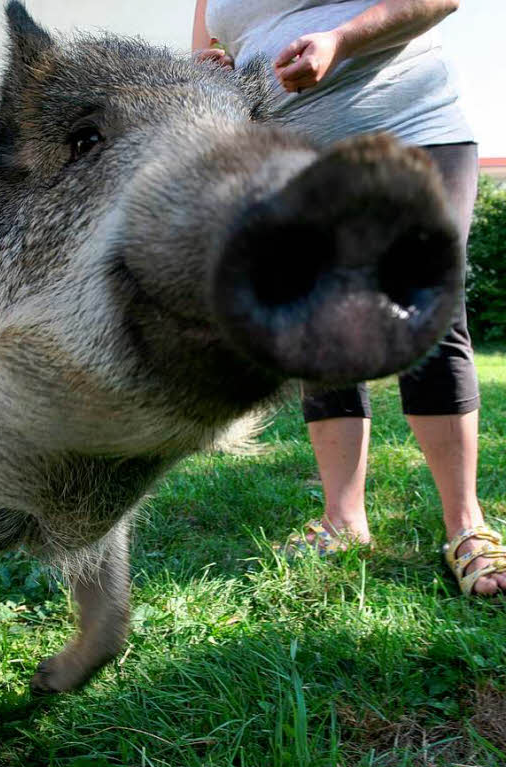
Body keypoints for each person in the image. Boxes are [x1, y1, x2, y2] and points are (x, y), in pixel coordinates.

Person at [192, 0, 506, 596]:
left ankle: (467, 526)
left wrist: (340, 39)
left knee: (429, 317)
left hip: (410, 132)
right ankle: (343, 519)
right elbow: (211, 52)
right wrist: (213, 71)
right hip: (294, 161)